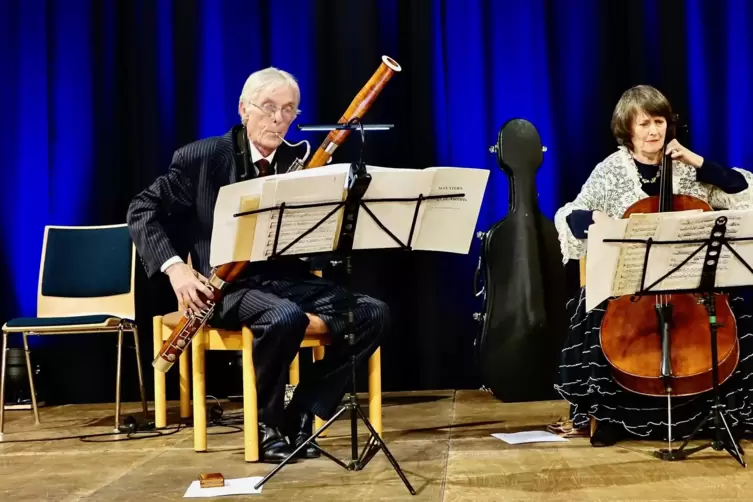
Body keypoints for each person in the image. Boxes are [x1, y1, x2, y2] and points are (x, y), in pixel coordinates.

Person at [127, 67, 389, 463]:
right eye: (268, 107)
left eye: (288, 110)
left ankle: (301, 412)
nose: (278, 118)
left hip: (287, 280)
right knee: (285, 318)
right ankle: (266, 425)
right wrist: (176, 268)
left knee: (372, 313)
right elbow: (142, 208)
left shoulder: (300, 161)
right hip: (228, 288)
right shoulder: (205, 157)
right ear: (243, 110)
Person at [552, 84, 753, 446]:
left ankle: (718, 414)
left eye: (659, 122)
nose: (653, 131)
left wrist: (698, 162)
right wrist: (597, 218)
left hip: (689, 285)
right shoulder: (611, 170)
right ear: (627, 129)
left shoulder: (687, 167)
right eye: (644, 123)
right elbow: (569, 214)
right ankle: (613, 418)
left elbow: (741, 192)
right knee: (594, 313)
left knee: (738, 316)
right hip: (630, 286)